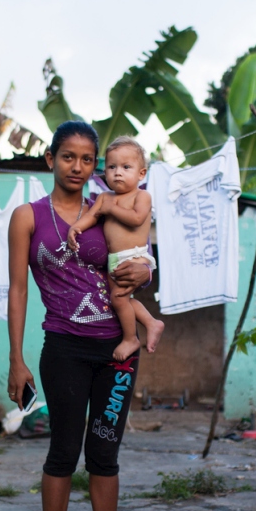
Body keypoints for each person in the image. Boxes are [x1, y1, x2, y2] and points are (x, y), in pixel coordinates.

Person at [7, 121, 150, 511]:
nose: (79, 166)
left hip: (116, 352)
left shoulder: (105, 209)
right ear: (50, 160)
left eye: (88, 159)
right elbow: (18, 288)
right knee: (64, 451)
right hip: (63, 348)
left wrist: (143, 272)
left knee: (105, 454)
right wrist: (16, 358)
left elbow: (133, 260)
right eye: (69, 156)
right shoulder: (29, 217)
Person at [67, 136, 165, 361]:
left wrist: (110, 208)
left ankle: (131, 338)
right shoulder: (104, 197)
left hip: (135, 257)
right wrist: (76, 228)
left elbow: (136, 218)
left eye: (126, 167)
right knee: (118, 299)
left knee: (120, 298)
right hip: (114, 260)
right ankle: (152, 322)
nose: (117, 172)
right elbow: (92, 217)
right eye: (112, 167)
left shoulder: (142, 196)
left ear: (141, 174)